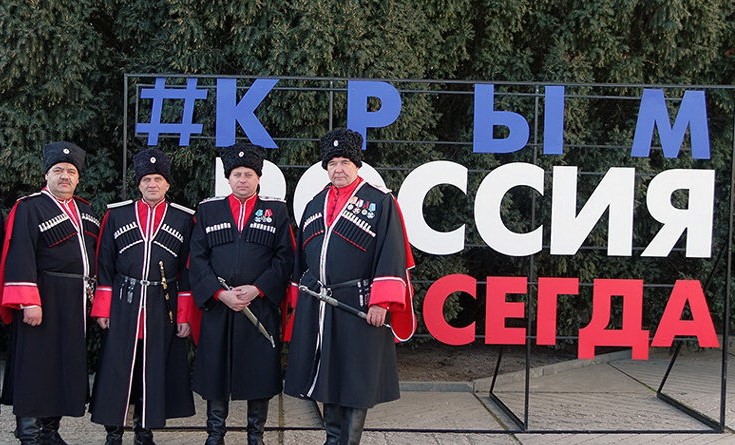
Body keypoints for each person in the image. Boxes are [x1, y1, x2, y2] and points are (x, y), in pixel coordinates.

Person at [283, 128, 416, 445]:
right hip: (320, 304)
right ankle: (332, 440)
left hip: (360, 304)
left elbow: (392, 252)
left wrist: (381, 301)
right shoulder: (315, 203)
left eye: (345, 162)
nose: (338, 169)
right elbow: (302, 257)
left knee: (357, 381)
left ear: (357, 165)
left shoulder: (380, 201)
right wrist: (298, 296)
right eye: (332, 163)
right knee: (328, 376)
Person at [189, 142, 294, 445]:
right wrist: (218, 293)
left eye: (248, 174)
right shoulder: (208, 211)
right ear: (228, 178)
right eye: (237, 174)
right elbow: (197, 259)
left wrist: (258, 288)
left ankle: (255, 436)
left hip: (258, 308)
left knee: (259, 374)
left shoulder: (276, 212)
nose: (243, 180)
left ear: (258, 178)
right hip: (219, 307)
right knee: (215, 372)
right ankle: (215, 435)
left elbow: (285, 258)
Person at [88, 148, 195, 444]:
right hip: (124, 302)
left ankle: (144, 430)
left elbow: (188, 270)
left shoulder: (184, 219)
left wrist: (184, 315)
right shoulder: (117, 214)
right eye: (147, 179)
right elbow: (104, 262)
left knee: (153, 367)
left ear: (167, 184)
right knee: (117, 367)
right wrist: (103, 308)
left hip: (162, 304)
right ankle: (113, 431)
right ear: (138, 184)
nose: (152, 184)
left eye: (158, 179)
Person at [0, 141, 99, 445]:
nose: (64, 176)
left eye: (70, 171)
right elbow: (20, 253)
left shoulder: (85, 210)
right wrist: (28, 301)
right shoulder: (30, 207)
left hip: (75, 299)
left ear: (78, 178)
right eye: (58, 170)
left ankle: (50, 432)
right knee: (35, 365)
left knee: (63, 365)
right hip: (43, 296)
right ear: (47, 175)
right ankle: (29, 433)